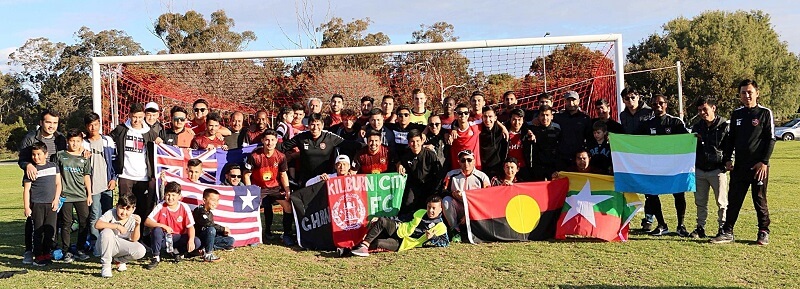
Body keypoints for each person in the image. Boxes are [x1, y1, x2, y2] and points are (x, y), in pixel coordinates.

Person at [712, 79, 775, 245]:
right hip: (740, 166)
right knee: (734, 199)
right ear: (739, 95)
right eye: (743, 93)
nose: (747, 95)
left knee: (759, 199)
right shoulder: (737, 114)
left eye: (750, 92)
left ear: (757, 93)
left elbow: (771, 139)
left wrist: (764, 162)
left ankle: (763, 231)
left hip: (758, 166)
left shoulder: (764, 113)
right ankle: (727, 231)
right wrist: (727, 159)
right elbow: (730, 139)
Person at [17, 109, 65, 265]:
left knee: (53, 220)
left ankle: (49, 249)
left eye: (55, 123)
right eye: (48, 122)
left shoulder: (60, 139)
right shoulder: (31, 138)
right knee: (33, 222)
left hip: (54, 184)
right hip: (36, 187)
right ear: (41, 122)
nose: (51, 126)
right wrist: (28, 165)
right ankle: (30, 251)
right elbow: (22, 159)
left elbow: (66, 155)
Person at [639, 95, 690, 237]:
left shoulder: (675, 123)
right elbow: (637, 143)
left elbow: (687, 140)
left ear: (666, 104)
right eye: (654, 104)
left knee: (679, 194)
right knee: (652, 194)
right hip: (653, 167)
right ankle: (662, 225)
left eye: (661, 103)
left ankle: (681, 225)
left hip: (673, 167)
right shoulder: (646, 124)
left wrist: (695, 138)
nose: (658, 106)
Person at [110, 103, 159, 236]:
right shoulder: (121, 129)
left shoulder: (150, 133)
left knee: (141, 208)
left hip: (143, 176)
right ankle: (122, 234)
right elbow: (107, 141)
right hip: (126, 175)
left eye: (140, 117)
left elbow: (159, 148)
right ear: (129, 115)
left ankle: (139, 235)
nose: (137, 120)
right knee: (124, 206)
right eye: (134, 117)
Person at [350, 195, 449, 257]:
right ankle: (363, 245)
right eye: (429, 207)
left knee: (378, 242)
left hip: (402, 243)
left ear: (440, 209)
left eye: (434, 208)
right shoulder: (420, 212)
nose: (430, 210)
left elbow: (445, 243)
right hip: (398, 229)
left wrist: (433, 238)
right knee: (382, 221)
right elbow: (402, 218)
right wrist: (383, 218)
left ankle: (350, 250)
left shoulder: (441, 227)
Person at [280, 113, 358, 186]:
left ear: (323, 125)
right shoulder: (301, 137)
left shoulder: (330, 137)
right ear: (308, 125)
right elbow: (283, 147)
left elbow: (350, 145)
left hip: (325, 179)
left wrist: (368, 145)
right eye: (312, 125)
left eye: (318, 124)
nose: (315, 128)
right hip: (305, 179)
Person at [246, 130, 295, 245]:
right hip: (258, 188)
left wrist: (287, 190)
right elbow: (246, 174)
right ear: (262, 140)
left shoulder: (281, 157)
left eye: (272, 140)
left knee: (288, 206)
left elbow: (283, 174)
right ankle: (254, 236)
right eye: (267, 140)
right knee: (252, 208)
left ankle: (287, 234)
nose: (270, 143)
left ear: (276, 141)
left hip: (275, 188)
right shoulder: (255, 156)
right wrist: (249, 190)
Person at [690, 96, 729, 238]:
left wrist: (727, 163)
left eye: (704, 109)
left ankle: (723, 228)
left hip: (717, 170)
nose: (702, 113)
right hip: (700, 169)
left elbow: (730, 147)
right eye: (699, 110)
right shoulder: (697, 126)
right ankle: (700, 227)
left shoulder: (724, 125)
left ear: (713, 108)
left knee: (721, 202)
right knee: (700, 202)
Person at [619, 87, 655, 231]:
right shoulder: (623, 115)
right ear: (623, 100)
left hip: (648, 156)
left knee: (650, 190)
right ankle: (627, 217)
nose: (630, 101)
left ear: (638, 97)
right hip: (630, 158)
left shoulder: (649, 112)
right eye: (627, 99)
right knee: (627, 187)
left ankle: (648, 220)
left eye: (633, 97)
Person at [55, 128, 93, 263]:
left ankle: (80, 249)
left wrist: (89, 194)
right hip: (66, 196)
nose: (74, 144)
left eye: (77, 141)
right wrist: (57, 194)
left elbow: (87, 176)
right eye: (72, 141)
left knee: (84, 222)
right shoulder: (60, 155)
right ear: (67, 141)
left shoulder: (85, 158)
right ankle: (66, 251)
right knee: (66, 224)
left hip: (81, 195)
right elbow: (57, 176)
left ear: (81, 142)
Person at [144, 181, 200, 270]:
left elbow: (191, 227)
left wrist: (191, 240)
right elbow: (147, 221)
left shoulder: (184, 207)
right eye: (168, 194)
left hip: (178, 237)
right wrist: (163, 226)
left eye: (173, 195)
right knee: (157, 229)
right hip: (164, 239)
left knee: (196, 241)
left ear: (179, 196)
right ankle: (156, 257)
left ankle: (177, 252)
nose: (170, 198)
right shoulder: (161, 206)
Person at [22, 142, 61, 266]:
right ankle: (38, 256)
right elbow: (27, 190)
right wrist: (27, 207)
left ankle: (46, 254)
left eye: (39, 154)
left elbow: (58, 184)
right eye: (33, 155)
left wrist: (56, 200)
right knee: (38, 231)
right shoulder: (31, 170)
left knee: (50, 231)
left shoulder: (53, 166)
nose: (36, 157)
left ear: (46, 154)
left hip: (51, 204)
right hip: (37, 205)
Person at [439, 149, 490, 241]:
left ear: (474, 161)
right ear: (459, 162)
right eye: (463, 160)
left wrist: (469, 214)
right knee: (446, 200)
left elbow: (487, 198)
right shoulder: (451, 175)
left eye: (469, 160)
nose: (466, 163)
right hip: (458, 207)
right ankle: (455, 230)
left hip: (475, 209)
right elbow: (442, 191)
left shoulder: (482, 177)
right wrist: (452, 194)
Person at [83, 112, 117, 244]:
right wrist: (83, 158)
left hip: (107, 184)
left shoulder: (107, 140)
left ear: (99, 124)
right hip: (92, 186)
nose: (93, 128)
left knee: (108, 214)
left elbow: (114, 162)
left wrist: (114, 179)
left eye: (96, 124)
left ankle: (107, 240)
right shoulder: (83, 143)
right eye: (90, 125)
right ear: (86, 126)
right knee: (94, 214)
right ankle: (95, 242)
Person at [94, 194, 145, 278]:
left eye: (128, 209)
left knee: (141, 250)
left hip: (120, 247)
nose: (124, 213)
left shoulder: (133, 218)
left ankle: (119, 261)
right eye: (122, 208)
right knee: (107, 232)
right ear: (117, 206)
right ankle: (106, 266)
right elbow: (97, 225)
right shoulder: (111, 213)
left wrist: (137, 225)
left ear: (133, 209)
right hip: (105, 245)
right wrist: (117, 226)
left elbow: (134, 239)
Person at [396, 130, 441, 214]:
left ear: (422, 141)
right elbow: (398, 160)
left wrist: (436, 191)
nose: (415, 144)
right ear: (408, 143)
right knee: (407, 205)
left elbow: (439, 173)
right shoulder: (406, 156)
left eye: (417, 141)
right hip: (414, 186)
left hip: (429, 186)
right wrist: (400, 164)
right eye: (412, 142)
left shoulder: (430, 154)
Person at [192, 189, 235, 262]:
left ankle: (204, 249)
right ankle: (208, 254)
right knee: (211, 230)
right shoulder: (199, 211)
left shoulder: (210, 213)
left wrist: (223, 233)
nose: (215, 203)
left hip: (207, 238)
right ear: (204, 200)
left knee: (230, 240)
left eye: (217, 200)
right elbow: (207, 224)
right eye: (213, 200)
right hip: (198, 239)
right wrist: (222, 228)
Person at [553, 91, 591, 171]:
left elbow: (589, 137)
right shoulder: (558, 117)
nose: (571, 103)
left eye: (573, 100)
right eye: (568, 100)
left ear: (578, 101)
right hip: (562, 157)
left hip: (578, 158)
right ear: (565, 101)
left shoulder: (585, 118)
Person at [528, 105, 561, 181]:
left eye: (547, 115)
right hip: (537, 164)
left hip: (552, 164)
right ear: (538, 117)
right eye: (542, 115)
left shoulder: (557, 129)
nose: (545, 118)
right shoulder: (532, 128)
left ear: (552, 117)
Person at [447, 104, 482, 170]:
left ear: (468, 114)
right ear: (456, 115)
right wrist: (446, 133)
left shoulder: (476, 127)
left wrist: (503, 128)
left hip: (475, 169)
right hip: (458, 171)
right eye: (460, 113)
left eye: (466, 113)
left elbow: (491, 118)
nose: (463, 115)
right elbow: (437, 125)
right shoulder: (450, 131)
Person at [478, 106, 509, 179]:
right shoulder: (478, 130)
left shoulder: (501, 130)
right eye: (485, 116)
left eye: (490, 116)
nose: (487, 119)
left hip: (498, 168)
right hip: (482, 169)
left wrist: (503, 127)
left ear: (495, 118)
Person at [505, 108, 534, 181]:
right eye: (514, 119)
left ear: (523, 120)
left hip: (523, 167)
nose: (517, 122)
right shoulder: (504, 134)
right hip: (508, 168)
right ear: (510, 119)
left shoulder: (527, 134)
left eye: (519, 120)